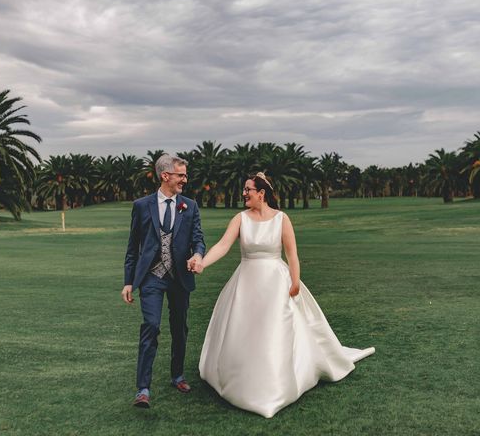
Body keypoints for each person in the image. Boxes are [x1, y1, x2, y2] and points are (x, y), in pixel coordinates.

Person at [194, 172, 374, 418]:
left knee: (275, 330)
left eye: (248, 190)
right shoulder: (240, 218)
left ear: (261, 193)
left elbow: (292, 254)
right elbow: (223, 245)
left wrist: (295, 280)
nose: (244, 193)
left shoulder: (281, 219)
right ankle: (242, 378)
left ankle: (275, 383)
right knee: (244, 329)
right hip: (246, 281)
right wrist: (203, 263)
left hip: (276, 281)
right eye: (244, 190)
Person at [121, 154, 205, 409]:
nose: (185, 180)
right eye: (181, 175)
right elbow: (133, 247)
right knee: (151, 325)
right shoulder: (141, 205)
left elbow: (198, 239)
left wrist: (198, 255)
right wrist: (128, 282)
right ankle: (143, 389)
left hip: (180, 277)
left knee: (179, 327)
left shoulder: (189, 206)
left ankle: (177, 375)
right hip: (151, 278)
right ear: (165, 176)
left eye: (185, 175)